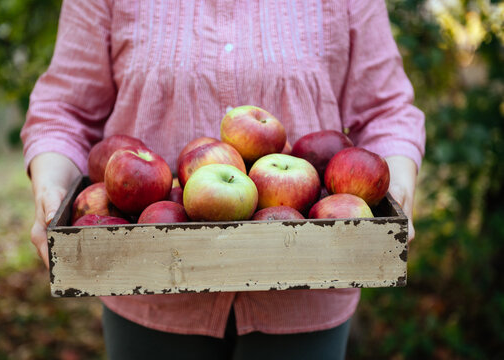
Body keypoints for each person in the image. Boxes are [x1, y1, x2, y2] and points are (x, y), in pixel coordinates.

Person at [21, 0, 425, 359]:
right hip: (145, 287)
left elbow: (386, 110)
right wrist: (50, 186)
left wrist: (397, 184)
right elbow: (64, 110)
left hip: (309, 294)